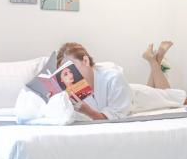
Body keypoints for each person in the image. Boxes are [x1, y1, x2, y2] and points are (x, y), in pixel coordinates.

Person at [56, 42, 187, 120]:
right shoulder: (71, 88)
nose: (70, 73)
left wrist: (88, 111)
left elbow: (114, 116)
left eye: (72, 66)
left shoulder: (113, 77)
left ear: (85, 61)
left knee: (173, 97)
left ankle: (154, 60)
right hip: (126, 94)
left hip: (136, 98)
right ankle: (155, 59)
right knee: (160, 92)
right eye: (65, 70)